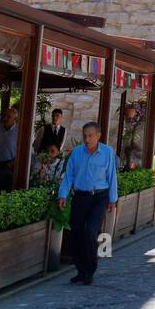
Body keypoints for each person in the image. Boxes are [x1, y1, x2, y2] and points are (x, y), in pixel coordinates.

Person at [57, 121, 118, 286]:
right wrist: (62, 194)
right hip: (80, 196)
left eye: (90, 135)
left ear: (98, 136)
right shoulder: (77, 153)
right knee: (76, 233)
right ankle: (80, 270)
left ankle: (90, 270)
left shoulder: (107, 152)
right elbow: (68, 175)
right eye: (84, 135)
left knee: (91, 231)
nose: (87, 139)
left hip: (100, 197)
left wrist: (113, 199)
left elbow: (112, 176)